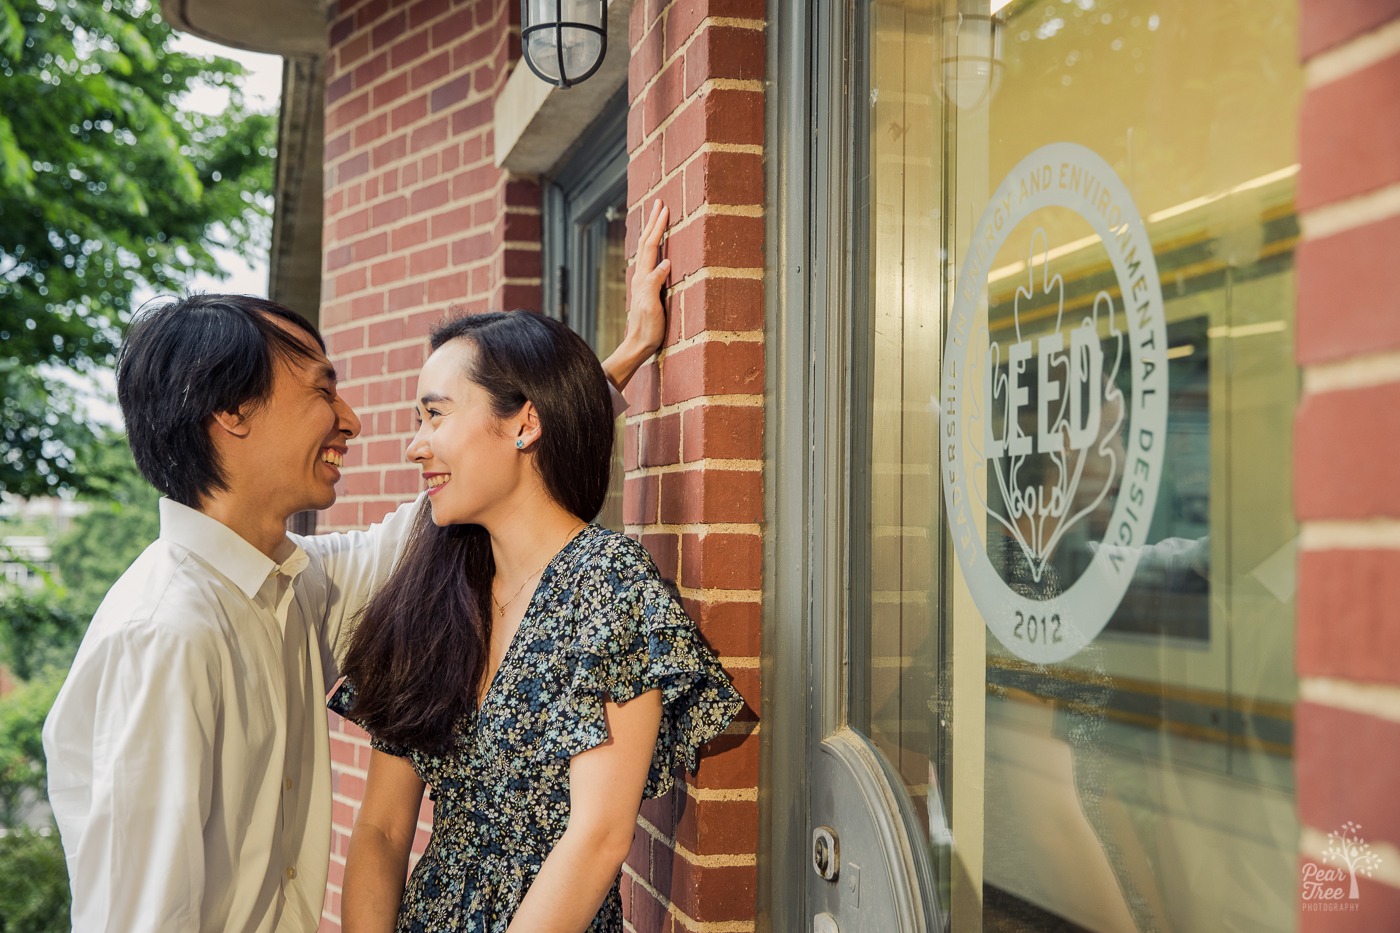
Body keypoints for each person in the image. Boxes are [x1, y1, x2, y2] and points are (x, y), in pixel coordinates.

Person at [42, 202, 674, 933]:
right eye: (320, 389)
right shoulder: (163, 636)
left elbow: (484, 483)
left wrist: (611, 364)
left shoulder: (297, 584)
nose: (353, 418)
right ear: (232, 412)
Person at [329, 310, 742, 933]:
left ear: (525, 423)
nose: (416, 444)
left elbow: (598, 838)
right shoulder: (433, 590)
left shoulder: (608, 583)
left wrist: (629, 352)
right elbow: (383, 830)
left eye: (435, 414)